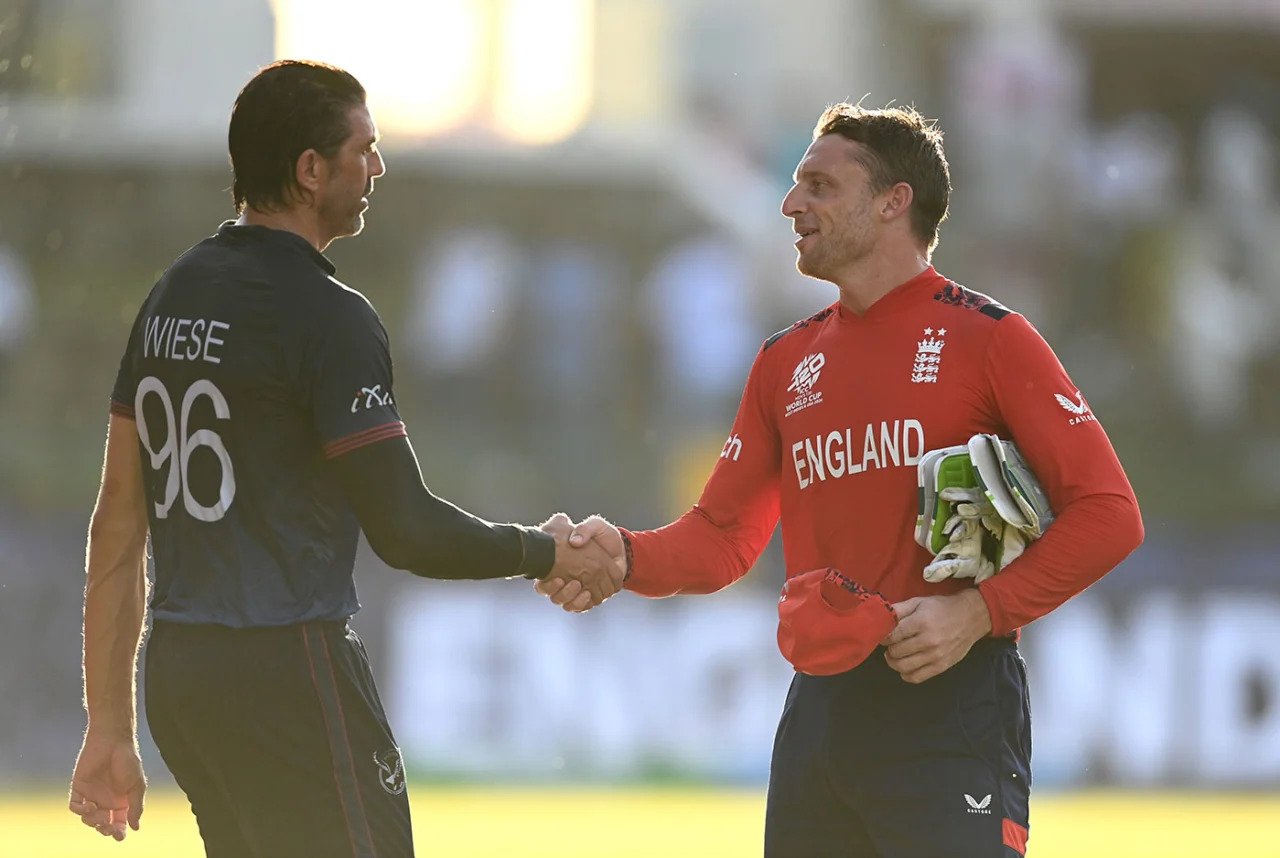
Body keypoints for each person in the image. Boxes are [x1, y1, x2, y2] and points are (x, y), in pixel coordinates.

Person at [538, 103, 1143, 857]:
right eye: (795, 186)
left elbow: (1111, 513)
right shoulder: (784, 362)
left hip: (949, 705)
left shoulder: (991, 338)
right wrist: (622, 556)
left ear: (894, 202)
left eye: (819, 186)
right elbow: (725, 539)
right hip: (818, 718)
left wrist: (979, 613)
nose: (792, 205)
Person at [67, 60, 623, 857]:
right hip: (289, 664)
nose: (378, 167)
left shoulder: (170, 297)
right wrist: (544, 550)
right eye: (365, 148)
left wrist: (110, 728)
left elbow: (116, 523)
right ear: (310, 170)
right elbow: (406, 529)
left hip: (185, 675)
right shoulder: (329, 316)